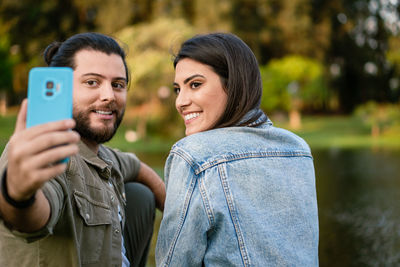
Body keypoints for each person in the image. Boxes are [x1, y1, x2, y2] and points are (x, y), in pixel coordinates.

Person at [0, 32, 166, 267]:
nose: (109, 96)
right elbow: (30, 217)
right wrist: (17, 194)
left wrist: (177, 215)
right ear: (62, 88)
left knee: (141, 194)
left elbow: (136, 167)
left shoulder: (102, 155)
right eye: (92, 82)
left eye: (118, 85)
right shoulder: (47, 153)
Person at [156, 33, 319, 266]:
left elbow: (173, 262)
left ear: (233, 84)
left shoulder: (193, 154)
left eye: (195, 85)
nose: (180, 102)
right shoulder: (298, 148)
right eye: (177, 89)